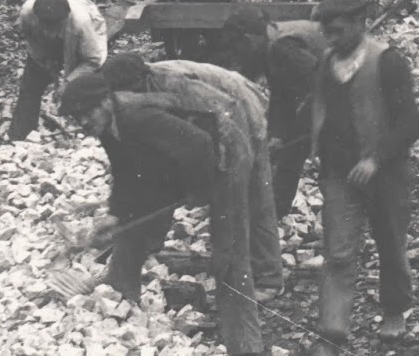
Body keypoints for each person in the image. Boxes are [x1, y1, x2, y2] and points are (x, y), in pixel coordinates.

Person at [59, 71, 267, 356]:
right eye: (77, 118)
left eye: (86, 113)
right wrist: (117, 216)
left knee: (229, 249)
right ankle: (120, 298)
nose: (83, 122)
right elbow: (126, 173)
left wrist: (198, 191)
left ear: (106, 101)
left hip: (224, 152)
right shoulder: (108, 124)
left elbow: (199, 146)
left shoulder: (138, 116)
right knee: (133, 224)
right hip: (186, 155)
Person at [102, 53, 283, 302]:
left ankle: (266, 278)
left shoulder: (174, 84)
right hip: (215, 119)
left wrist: (205, 182)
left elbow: (220, 114)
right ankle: (151, 243)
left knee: (248, 200)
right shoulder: (136, 99)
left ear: (140, 82)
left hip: (241, 109)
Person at [308, 0, 419, 356]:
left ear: (360, 23)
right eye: (327, 32)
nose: (332, 39)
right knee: (338, 253)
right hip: (340, 174)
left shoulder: (386, 62)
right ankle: (332, 337)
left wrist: (376, 159)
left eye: (338, 31)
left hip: (384, 171)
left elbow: (410, 123)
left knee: (390, 241)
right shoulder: (327, 63)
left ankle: (394, 311)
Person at [219, 3, 327, 220]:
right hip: (325, 92)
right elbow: (281, 95)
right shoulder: (270, 46)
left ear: (248, 39)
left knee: (300, 151)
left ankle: (275, 210)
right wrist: (277, 134)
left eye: (237, 48)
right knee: (289, 147)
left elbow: (319, 86)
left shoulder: (282, 47)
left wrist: (295, 133)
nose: (238, 57)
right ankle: (276, 209)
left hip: (342, 92)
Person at [9, 0, 109, 140]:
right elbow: (32, 41)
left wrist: (68, 81)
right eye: (47, 26)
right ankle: (20, 136)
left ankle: (91, 133)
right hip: (44, 39)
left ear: (64, 20)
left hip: (86, 37)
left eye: (54, 27)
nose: (51, 31)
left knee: (86, 86)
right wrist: (45, 61)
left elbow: (93, 60)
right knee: (30, 85)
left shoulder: (81, 23)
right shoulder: (27, 13)